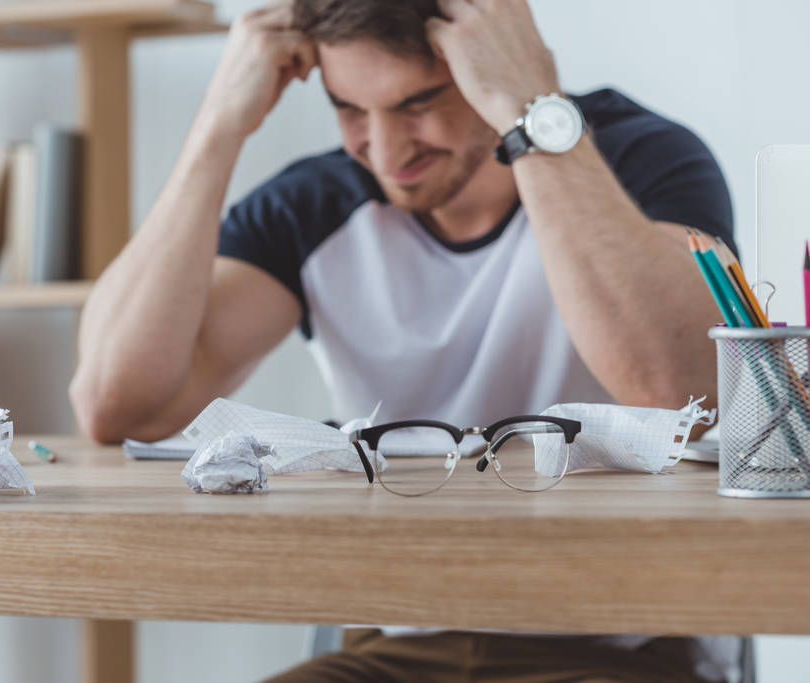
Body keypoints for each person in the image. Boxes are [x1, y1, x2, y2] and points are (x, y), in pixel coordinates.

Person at [70, 0, 739, 680]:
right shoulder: (315, 204)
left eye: (417, 102)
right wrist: (219, 126)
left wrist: (529, 107)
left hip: (618, 644)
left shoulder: (635, 161)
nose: (385, 153)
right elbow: (117, 403)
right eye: (349, 109)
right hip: (399, 638)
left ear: (492, 55)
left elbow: (687, 391)